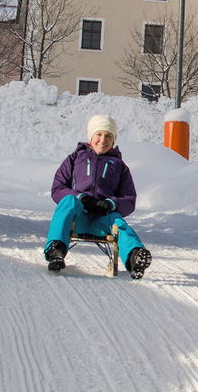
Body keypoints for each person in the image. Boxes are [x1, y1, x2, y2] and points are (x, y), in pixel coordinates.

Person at [45, 114, 152, 279]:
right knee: (68, 201)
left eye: (108, 136)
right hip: (77, 218)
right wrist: (80, 197)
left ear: (114, 139)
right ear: (91, 136)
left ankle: (134, 256)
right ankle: (55, 250)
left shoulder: (120, 166)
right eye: (99, 134)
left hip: (102, 220)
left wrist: (111, 204)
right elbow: (58, 188)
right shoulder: (75, 158)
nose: (103, 140)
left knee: (118, 222)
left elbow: (129, 199)